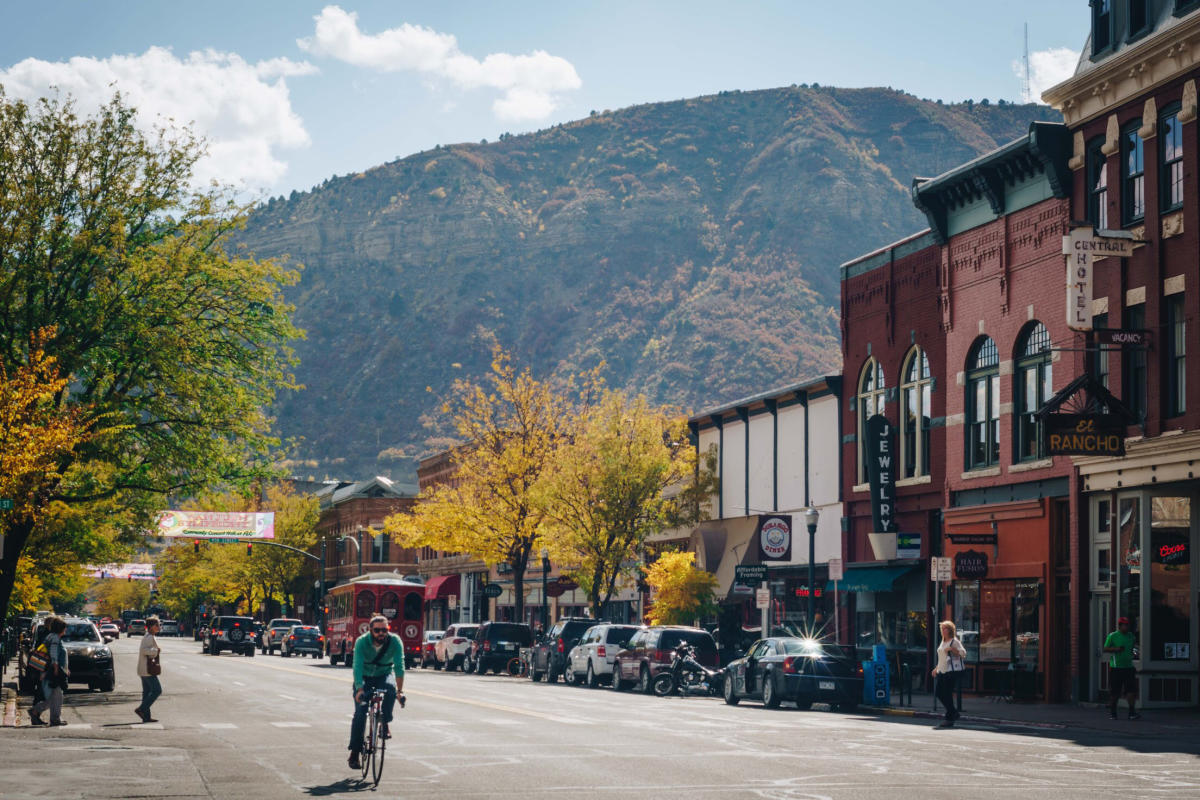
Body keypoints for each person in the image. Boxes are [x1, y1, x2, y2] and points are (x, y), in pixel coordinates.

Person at [348, 614, 405, 770]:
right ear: (370, 630)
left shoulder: (395, 641)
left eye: (384, 630)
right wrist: (359, 688)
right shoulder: (361, 642)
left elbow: (399, 666)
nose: (381, 633)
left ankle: (384, 721)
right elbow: (357, 666)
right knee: (360, 713)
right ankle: (354, 753)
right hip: (364, 678)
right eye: (377, 630)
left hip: (383, 675)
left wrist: (400, 692)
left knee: (390, 691)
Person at [30, 616, 68, 726]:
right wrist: (56, 668)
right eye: (64, 628)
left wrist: (65, 669)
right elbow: (54, 654)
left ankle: (43, 714)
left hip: (48, 671)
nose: (66, 630)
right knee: (55, 697)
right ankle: (40, 713)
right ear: (61, 628)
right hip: (51, 671)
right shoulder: (55, 638)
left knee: (54, 696)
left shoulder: (50, 636)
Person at [930, 620, 966, 729]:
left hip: (951, 672)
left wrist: (953, 649)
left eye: (945, 628)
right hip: (942, 670)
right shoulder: (943, 641)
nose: (943, 630)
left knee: (946, 694)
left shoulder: (954, 641)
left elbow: (963, 653)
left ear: (950, 630)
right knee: (939, 693)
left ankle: (949, 718)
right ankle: (953, 713)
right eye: (942, 628)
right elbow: (942, 657)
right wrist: (936, 668)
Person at [1103, 616, 1140, 720]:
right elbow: (1105, 648)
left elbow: (1133, 648)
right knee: (1115, 692)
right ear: (1120, 626)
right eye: (1125, 625)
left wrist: (1134, 654)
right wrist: (1116, 649)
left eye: (1128, 625)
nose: (1127, 627)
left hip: (1128, 667)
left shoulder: (1131, 636)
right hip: (1116, 667)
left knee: (1131, 691)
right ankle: (1113, 712)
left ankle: (1132, 712)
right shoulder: (1113, 636)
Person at [135, 616, 162, 723]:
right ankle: (141, 709)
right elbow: (144, 650)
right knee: (157, 690)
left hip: (144, 669)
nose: (159, 627)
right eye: (157, 625)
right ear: (151, 626)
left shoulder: (149, 636)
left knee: (146, 693)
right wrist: (156, 650)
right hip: (147, 669)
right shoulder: (149, 637)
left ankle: (146, 717)